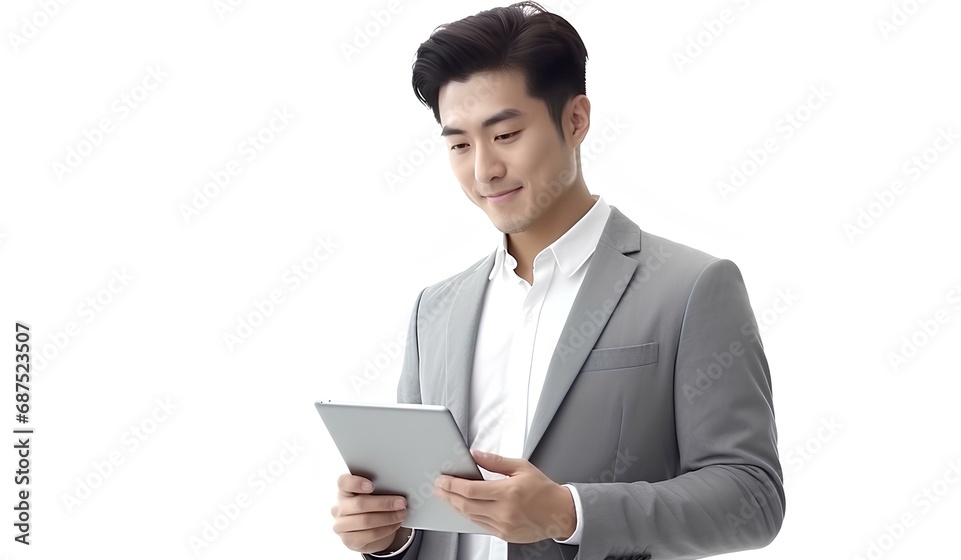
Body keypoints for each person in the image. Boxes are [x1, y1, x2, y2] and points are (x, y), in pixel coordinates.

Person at [330, 2, 785, 559]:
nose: (482, 171)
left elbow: (752, 497)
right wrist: (388, 534)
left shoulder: (691, 288)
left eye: (506, 134)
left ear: (576, 120)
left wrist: (569, 511)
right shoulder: (435, 310)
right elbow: (425, 512)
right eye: (459, 144)